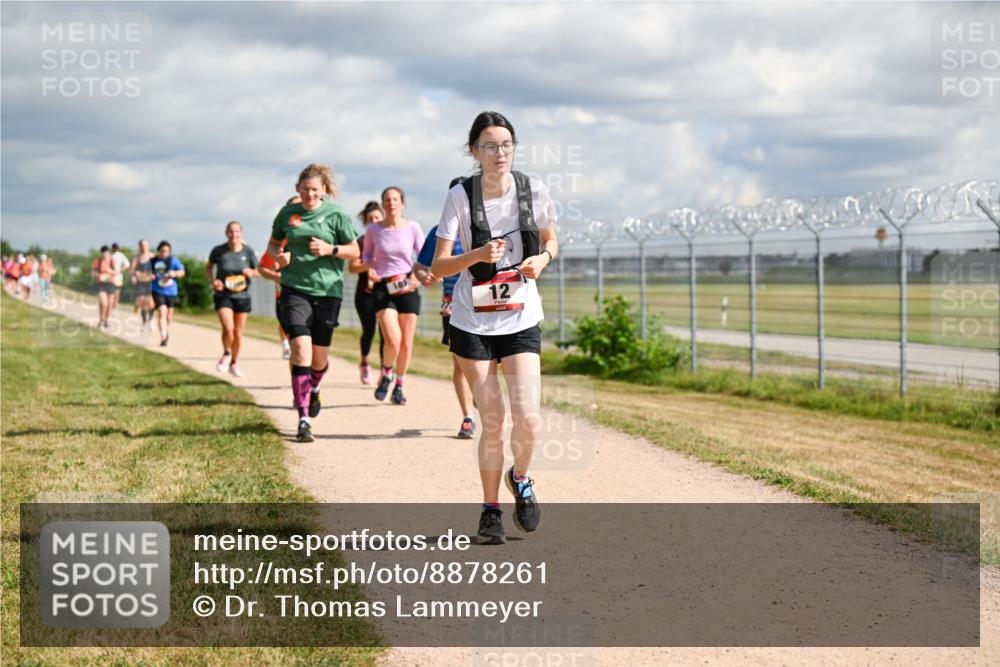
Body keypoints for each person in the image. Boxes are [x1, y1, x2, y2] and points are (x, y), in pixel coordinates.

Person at [431, 111, 558, 545]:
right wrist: (478, 254)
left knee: (529, 420)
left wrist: (541, 260)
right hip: (473, 320)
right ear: (474, 151)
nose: (499, 153)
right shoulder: (460, 198)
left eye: (506, 144)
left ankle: (520, 477)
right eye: (489, 145)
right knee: (493, 419)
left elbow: (551, 239)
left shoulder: (533, 189)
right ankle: (490, 510)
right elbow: (440, 264)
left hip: (521, 316)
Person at [267, 164, 360, 443]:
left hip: (328, 292)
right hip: (294, 288)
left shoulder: (336, 214)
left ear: (324, 190)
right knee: (300, 349)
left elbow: (355, 251)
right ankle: (303, 418)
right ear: (298, 189)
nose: (309, 194)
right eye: (305, 189)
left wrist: (330, 249)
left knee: (319, 360)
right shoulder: (287, 214)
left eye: (315, 190)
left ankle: (315, 387)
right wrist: (279, 257)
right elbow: (272, 245)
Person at [413, 177, 477, 439]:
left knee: (488, 363)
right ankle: (467, 418)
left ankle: (480, 394)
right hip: (452, 305)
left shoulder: (490, 227)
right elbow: (420, 266)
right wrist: (425, 277)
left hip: (488, 305)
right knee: (461, 364)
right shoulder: (440, 230)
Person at [362, 187, 423, 405]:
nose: (391, 203)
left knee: (406, 343)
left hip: (407, 285)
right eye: (387, 200)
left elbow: (423, 256)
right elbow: (366, 256)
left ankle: (399, 385)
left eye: (395, 199)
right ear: (383, 204)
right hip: (384, 287)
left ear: (402, 203)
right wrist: (370, 268)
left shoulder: (413, 227)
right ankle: (387, 372)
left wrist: (417, 277)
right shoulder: (374, 230)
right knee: (393, 339)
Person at [207, 221, 259, 378]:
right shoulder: (219, 251)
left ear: (241, 233)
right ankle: (226, 354)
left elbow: (260, 271)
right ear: (226, 233)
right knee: (228, 327)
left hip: (242, 296)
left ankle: (234, 363)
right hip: (223, 295)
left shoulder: (248, 251)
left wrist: (251, 272)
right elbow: (208, 267)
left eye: (237, 231)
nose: (234, 234)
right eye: (231, 231)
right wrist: (213, 281)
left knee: (238, 333)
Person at [348, 201, 386, 384]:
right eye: (370, 219)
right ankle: (364, 362)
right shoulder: (361, 242)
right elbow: (352, 267)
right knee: (369, 330)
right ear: (365, 221)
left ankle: (384, 370)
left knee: (386, 332)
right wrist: (368, 264)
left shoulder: (389, 238)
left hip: (386, 292)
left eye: (377, 218)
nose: (374, 221)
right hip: (365, 293)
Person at [257, 235, 291, 360]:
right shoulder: (277, 246)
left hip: (302, 294)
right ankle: (286, 344)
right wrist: (275, 275)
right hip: (281, 294)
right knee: (284, 322)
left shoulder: (305, 243)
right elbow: (261, 268)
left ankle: (293, 347)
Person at [150, 240, 185, 346]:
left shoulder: (173, 260)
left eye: (167, 251)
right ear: (159, 251)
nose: (164, 253)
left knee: (169, 316)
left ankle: (165, 330)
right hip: (158, 290)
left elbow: (182, 272)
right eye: (162, 251)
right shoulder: (153, 261)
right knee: (162, 312)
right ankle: (163, 336)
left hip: (171, 292)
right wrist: (149, 275)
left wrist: (175, 273)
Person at [130, 239, 155, 329]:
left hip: (150, 283)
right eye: (142, 245)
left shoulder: (153, 256)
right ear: (140, 246)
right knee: (143, 303)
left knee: (151, 303)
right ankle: (144, 322)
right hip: (140, 283)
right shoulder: (136, 258)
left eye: (145, 245)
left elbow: (158, 268)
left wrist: (154, 275)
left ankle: (151, 319)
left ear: (148, 246)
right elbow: (131, 271)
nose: (144, 247)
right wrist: (134, 275)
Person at [91, 246, 116, 328]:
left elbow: (117, 272)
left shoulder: (112, 261)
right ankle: (101, 320)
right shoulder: (98, 261)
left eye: (106, 253)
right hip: (101, 284)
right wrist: (98, 275)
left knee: (110, 304)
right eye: (103, 254)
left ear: (109, 253)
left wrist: (110, 272)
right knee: (104, 303)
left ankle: (106, 320)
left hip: (111, 284)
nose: (105, 255)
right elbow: (93, 272)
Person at [109, 242, 129, 311]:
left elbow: (127, 264)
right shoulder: (109, 255)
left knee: (116, 293)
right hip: (110, 276)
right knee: (111, 293)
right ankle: (110, 307)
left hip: (118, 277)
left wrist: (122, 269)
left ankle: (114, 307)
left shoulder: (120, 255)